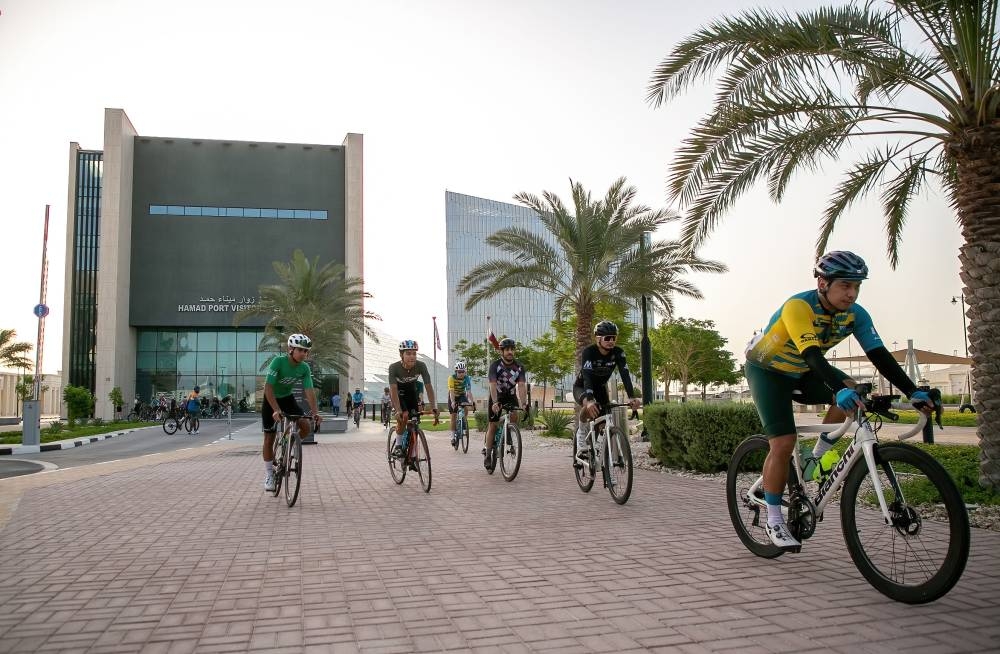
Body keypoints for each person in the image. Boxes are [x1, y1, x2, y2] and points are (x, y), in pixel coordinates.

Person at [745, 251, 934, 550]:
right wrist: (838, 389)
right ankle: (774, 518)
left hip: (804, 372)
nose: (852, 293)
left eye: (857, 286)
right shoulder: (798, 307)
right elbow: (812, 355)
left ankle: (816, 459)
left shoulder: (856, 314)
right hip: (770, 372)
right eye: (845, 285)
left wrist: (913, 391)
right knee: (783, 443)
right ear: (823, 283)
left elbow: (879, 355)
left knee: (853, 390)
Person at [261, 334, 322, 492]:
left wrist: (315, 413)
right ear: (291, 349)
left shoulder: (304, 368)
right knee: (268, 438)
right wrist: (276, 410)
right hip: (271, 399)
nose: (303, 354)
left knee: (305, 426)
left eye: (306, 351)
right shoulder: (278, 361)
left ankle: (288, 442)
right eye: (300, 350)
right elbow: (268, 387)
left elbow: (309, 391)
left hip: (287, 399)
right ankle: (269, 475)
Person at [573, 321, 641, 461]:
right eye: (607, 338)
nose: (611, 341)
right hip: (582, 387)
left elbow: (625, 374)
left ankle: (598, 447)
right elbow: (587, 376)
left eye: (613, 338)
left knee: (604, 422)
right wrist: (590, 400)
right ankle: (581, 433)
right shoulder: (589, 352)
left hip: (601, 389)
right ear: (598, 338)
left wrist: (631, 397)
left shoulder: (618, 352)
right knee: (588, 405)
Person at [388, 340, 439, 463]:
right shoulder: (394, 367)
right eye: (408, 353)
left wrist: (434, 407)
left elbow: (428, 387)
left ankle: (413, 456)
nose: (412, 356)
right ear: (401, 355)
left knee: (415, 421)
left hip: (411, 392)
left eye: (414, 354)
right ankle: (398, 445)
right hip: (398, 393)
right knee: (404, 416)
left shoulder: (421, 366)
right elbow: (393, 390)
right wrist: (398, 410)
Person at [484, 338, 528, 469]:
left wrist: (524, 404)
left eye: (512, 349)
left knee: (514, 415)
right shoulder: (495, 365)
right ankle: (487, 454)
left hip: (510, 395)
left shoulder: (519, 367)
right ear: (501, 351)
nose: (510, 352)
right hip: (496, 395)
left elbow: (521, 386)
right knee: (493, 425)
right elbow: (492, 385)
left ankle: (508, 431)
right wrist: (495, 402)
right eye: (507, 349)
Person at [447, 360, 477, 446]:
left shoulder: (467, 378)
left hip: (461, 395)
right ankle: (452, 437)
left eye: (463, 371)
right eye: (459, 372)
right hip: (453, 395)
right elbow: (451, 391)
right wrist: (453, 402)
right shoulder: (451, 378)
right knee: (453, 416)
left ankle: (463, 420)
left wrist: (472, 401)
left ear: (465, 372)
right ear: (456, 372)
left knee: (466, 407)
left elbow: (469, 391)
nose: (461, 373)